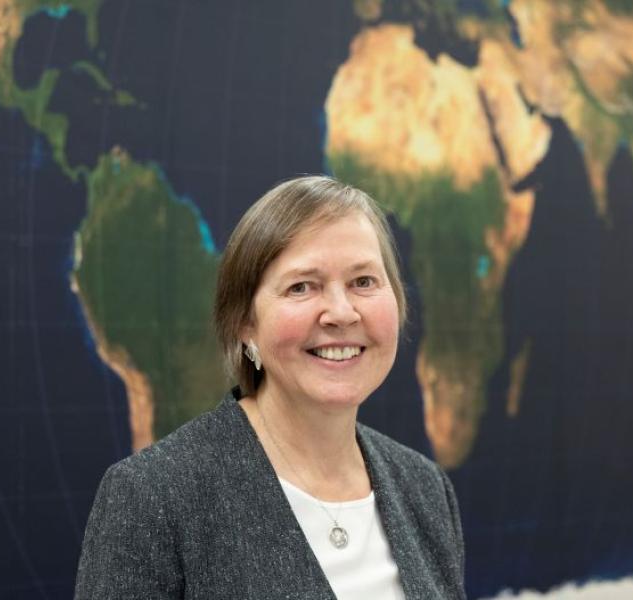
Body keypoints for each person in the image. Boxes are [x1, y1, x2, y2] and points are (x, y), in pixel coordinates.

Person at [75, 176, 466, 599]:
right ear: (245, 324)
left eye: (364, 282)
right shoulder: (153, 498)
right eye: (302, 286)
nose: (341, 312)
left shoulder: (426, 489)